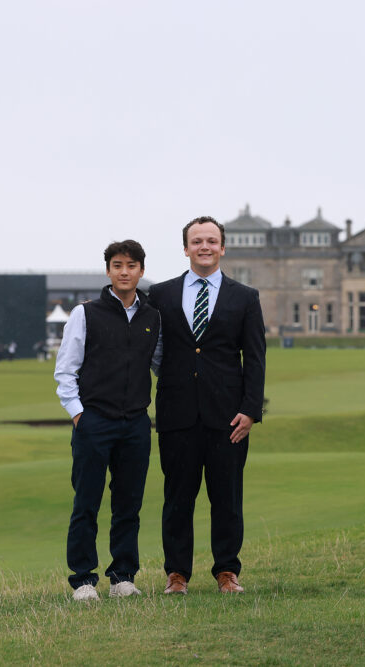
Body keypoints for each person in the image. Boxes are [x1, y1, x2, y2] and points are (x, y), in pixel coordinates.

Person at [148, 216, 267, 595]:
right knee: (177, 498)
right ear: (185, 248)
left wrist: (250, 410)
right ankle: (177, 574)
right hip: (176, 414)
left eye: (211, 241)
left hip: (228, 416)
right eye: (197, 241)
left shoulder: (245, 297)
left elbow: (256, 357)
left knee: (227, 499)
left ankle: (227, 572)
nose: (204, 247)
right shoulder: (162, 295)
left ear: (222, 247)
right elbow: (151, 350)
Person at [53, 240, 160, 601]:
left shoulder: (152, 316)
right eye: (117, 265)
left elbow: (160, 364)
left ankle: (122, 578)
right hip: (94, 421)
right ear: (109, 271)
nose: (124, 271)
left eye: (131, 265)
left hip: (135, 424)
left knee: (128, 504)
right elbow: (66, 369)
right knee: (87, 502)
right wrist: (78, 413)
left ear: (141, 270)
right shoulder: (86, 313)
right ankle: (83, 580)